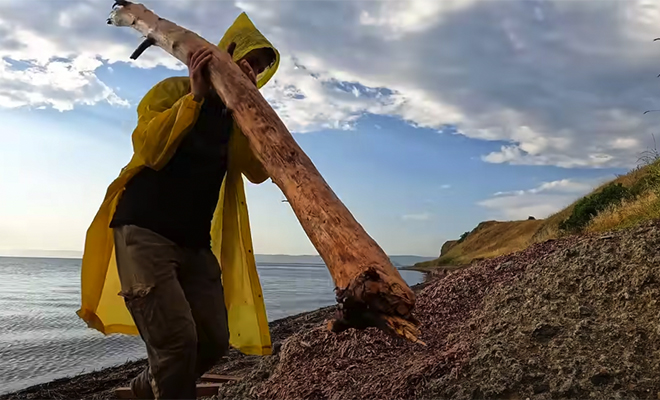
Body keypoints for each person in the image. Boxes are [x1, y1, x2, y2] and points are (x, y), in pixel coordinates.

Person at [76, 13, 279, 399]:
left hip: (195, 243)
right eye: (248, 58)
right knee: (177, 342)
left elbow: (257, 170)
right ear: (226, 51)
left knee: (215, 340)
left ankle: (138, 392)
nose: (251, 68)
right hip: (144, 229)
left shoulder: (239, 120)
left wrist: (254, 111)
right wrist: (196, 97)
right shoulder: (171, 90)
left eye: (261, 67)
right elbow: (148, 149)